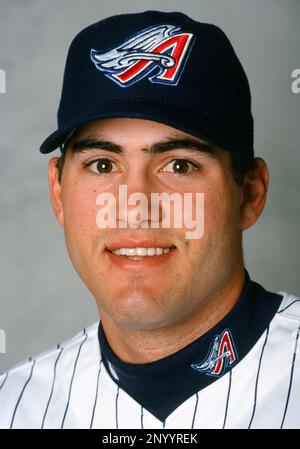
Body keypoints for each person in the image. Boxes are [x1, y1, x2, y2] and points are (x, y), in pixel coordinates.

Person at [0, 10, 299, 429]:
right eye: (103, 166)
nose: (135, 204)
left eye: (179, 165)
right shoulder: (13, 406)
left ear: (249, 193)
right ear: (59, 193)